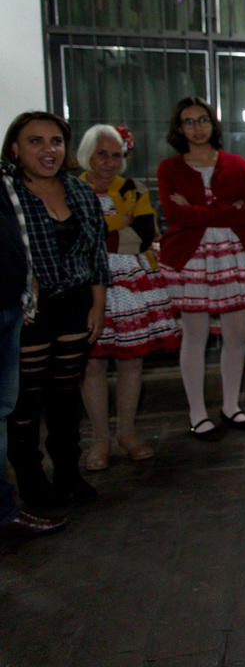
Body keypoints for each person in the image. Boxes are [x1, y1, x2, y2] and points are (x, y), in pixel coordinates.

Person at [3, 112, 109, 507]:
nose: (48, 150)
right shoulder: (7, 192)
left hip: (76, 305)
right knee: (26, 401)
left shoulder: (80, 192)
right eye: (35, 141)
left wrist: (98, 304)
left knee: (65, 397)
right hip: (29, 310)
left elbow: (97, 251)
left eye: (56, 141)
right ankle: (31, 484)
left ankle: (67, 474)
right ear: (14, 148)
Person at [157, 98, 245, 441]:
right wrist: (223, 208)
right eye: (188, 121)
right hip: (189, 258)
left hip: (232, 255)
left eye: (203, 120)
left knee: (235, 334)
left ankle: (231, 406)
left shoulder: (238, 164)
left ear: (213, 125)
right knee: (195, 335)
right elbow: (176, 217)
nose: (197, 127)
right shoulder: (169, 168)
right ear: (179, 129)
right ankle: (197, 413)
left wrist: (199, 209)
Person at [78, 124, 180, 469]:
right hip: (88, 283)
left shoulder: (134, 188)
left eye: (116, 155)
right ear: (86, 154)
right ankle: (99, 439)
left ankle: (127, 433)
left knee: (131, 361)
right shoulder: (71, 189)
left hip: (131, 282)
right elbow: (74, 239)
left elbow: (144, 233)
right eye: (101, 154)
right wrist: (117, 223)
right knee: (92, 362)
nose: (109, 162)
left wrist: (103, 227)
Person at [0, 156, 68, 536]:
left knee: (3, 410)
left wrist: (26, 293)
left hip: (10, 303)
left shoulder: (4, 179)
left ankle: (4, 512)